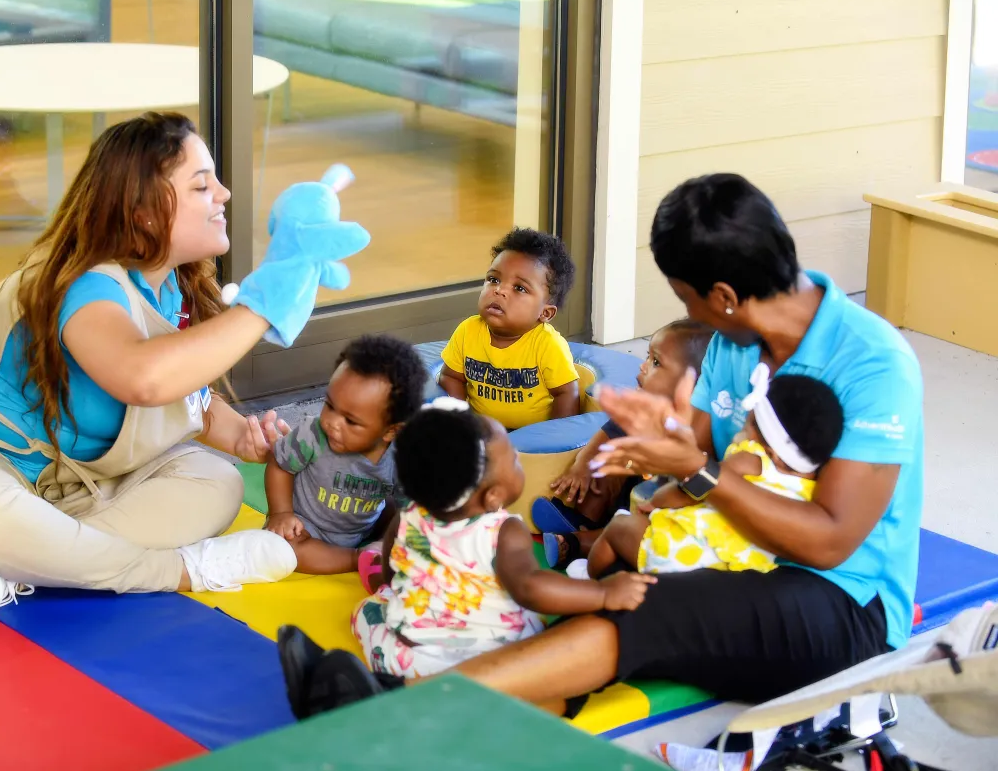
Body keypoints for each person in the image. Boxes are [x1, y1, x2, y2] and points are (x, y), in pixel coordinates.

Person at [278, 172, 924, 717]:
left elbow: (828, 541)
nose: (690, 314)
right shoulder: (734, 343)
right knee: (589, 580)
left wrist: (694, 471)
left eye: (686, 298)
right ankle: (540, 690)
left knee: (649, 607)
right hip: (725, 555)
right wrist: (635, 444)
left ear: (724, 297)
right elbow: (687, 445)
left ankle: (392, 708)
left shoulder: (872, 363)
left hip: (837, 601)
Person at [0, 112, 367, 621]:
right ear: (144, 213)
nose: (224, 194)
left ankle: (16, 566)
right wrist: (264, 304)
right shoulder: (84, 283)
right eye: (201, 185)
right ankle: (184, 570)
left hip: (79, 486)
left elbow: (186, 398)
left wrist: (244, 439)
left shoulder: (176, 289)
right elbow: (142, 378)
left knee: (219, 483)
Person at [278, 398, 653, 710]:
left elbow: (393, 569)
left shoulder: (410, 514)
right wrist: (603, 593)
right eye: (515, 460)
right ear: (494, 495)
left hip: (411, 655)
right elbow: (530, 587)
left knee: (370, 608)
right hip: (490, 655)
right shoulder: (503, 531)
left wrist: (399, 590)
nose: (518, 463)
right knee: (534, 623)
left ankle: (355, 677)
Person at [584, 369, 844, 578]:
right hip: (737, 572)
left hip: (682, 554)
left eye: (748, 425)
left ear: (772, 450)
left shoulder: (751, 459)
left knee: (619, 527)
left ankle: (593, 584)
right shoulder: (811, 488)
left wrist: (657, 501)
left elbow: (690, 490)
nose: (741, 431)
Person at [535, 319, 714, 541]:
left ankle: (581, 541)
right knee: (607, 457)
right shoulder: (641, 409)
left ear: (692, 383)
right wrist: (582, 464)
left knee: (631, 527)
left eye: (656, 362)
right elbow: (605, 436)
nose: (643, 366)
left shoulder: (699, 430)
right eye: (647, 356)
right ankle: (582, 522)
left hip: (656, 511)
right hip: (627, 498)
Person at [264, 334, 426, 578]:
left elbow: (411, 509)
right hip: (308, 527)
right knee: (283, 548)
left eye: (350, 421)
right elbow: (279, 464)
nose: (332, 422)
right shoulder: (313, 433)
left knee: (407, 514)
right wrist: (281, 513)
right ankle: (358, 558)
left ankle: (381, 547)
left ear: (390, 431)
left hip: (365, 525)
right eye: (329, 405)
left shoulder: (400, 457)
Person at [438, 229, 580, 430]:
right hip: (483, 433)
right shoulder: (468, 331)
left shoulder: (547, 344)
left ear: (545, 313)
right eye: (493, 279)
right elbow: (450, 376)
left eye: (519, 288)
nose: (499, 290)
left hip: (532, 439)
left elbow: (567, 393)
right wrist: (462, 420)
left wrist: (553, 437)